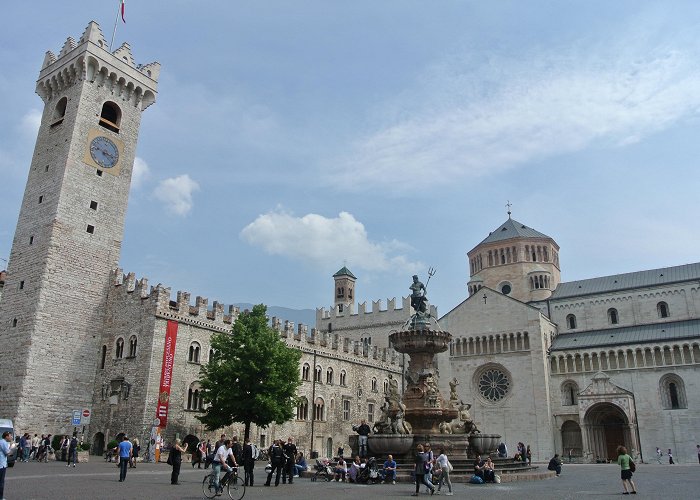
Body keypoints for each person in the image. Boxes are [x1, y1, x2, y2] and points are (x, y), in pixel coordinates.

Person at [1, 431, 18, 499]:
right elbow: (8, 453)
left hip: (2, 464)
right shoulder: (3, 443)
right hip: (1, 465)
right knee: (1, 482)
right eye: (10, 436)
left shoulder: (2, 442)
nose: (11, 437)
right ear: (6, 436)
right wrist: (14, 447)